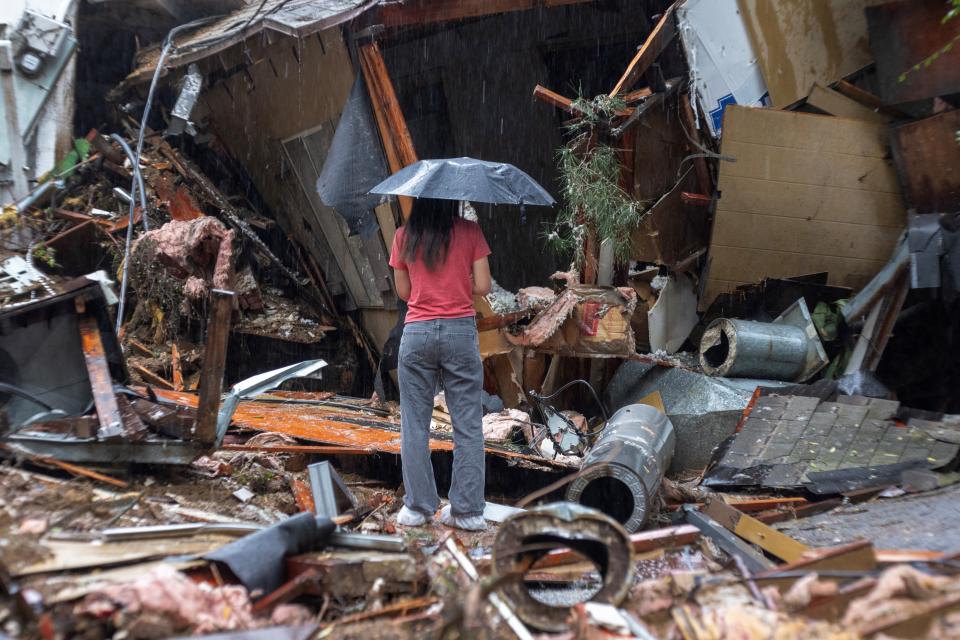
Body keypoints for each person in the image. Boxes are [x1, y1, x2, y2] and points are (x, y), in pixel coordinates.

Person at [388, 198, 492, 531]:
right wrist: (459, 285)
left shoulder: (404, 235)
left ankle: (418, 508)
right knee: (468, 424)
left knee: (414, 425)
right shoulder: (470, 232)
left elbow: (404, 291)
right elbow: (484, 286)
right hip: (460, 333)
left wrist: (429, 288)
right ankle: (468, 512)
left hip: (417, 332)